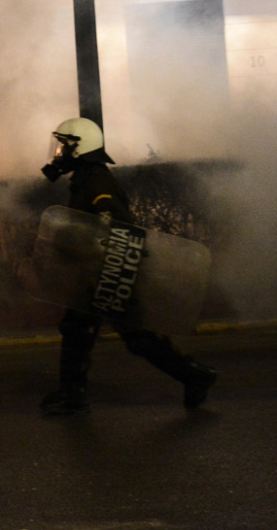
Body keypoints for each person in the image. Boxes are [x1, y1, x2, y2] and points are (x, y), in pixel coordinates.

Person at [38, 118, 217, 415]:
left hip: (111, 274)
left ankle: (197, 376)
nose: (59, 153)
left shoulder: (97, 182)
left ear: (80, 148)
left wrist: (89, 254)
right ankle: (73, 395)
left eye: (64, 146)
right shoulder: (86, 178)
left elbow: (115, 227)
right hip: (99, 274)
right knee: (79, 330)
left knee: (137, 338)